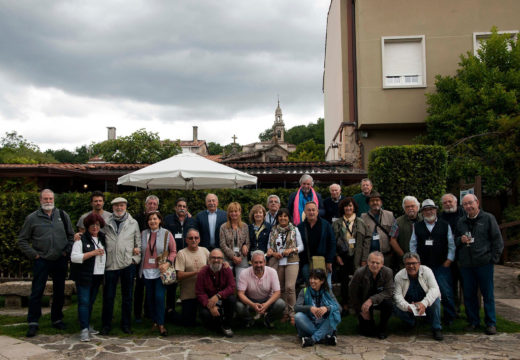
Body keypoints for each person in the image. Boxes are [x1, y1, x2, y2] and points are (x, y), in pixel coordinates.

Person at [18, 189, 74, 337]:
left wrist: (66, 251)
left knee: (59, 292)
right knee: (37, 292)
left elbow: (71, 236)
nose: (48, 201)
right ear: (40, 200)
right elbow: (22, 240)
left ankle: (57, 319)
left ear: (54, 199)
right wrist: (34, 255)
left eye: (50, 199)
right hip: (41, 260)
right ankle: (33, 322)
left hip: (59, 259)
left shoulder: (62, 215)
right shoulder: (32, 218)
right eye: (45, 199)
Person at [456, 194, 503, 335]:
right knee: (469, 295)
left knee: (487, 294)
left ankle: (491, 323)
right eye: (465, 204)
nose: (468, 206)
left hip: (484, 263)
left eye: (470, 203)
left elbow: (497, 241)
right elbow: (454, 240)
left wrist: (492, 259)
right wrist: (460, 240)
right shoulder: (461, 221)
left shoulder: (488, 218)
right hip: (466, 265)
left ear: (477, 202)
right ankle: (473, 321)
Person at [410, 199, 456, 325]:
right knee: (424, 291)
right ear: (423, 212)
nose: (429, 211)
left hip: (441, 265)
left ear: (435, 210)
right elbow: (413, 245)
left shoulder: (445, 225)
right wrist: (415, 263)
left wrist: (449, 260)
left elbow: (451, 244)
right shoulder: (417, 226)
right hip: (423, 266)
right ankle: (425, 316)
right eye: (426, 210)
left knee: (445, 292)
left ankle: (449, 317)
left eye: (431, 209)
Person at [101, 197, 141, 335]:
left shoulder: (133, 223)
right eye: (116, 205)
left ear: (126, 206)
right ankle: (106, 325)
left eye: (122, 205)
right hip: (110, 264)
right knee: (108, 296)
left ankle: (126, 324)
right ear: (112, 208)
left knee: (127, 297)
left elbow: (138, 243)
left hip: (127, 264)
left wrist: (135, 259)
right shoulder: (105, 222)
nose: (119, 208)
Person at [139, 211, 176, 336]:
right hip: (146, 271)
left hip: (160, 271)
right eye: (150, 219)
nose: (152, 221)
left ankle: (161, 324)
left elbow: (173, 251)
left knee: (159, 297)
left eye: (155, 219)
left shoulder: (166, 233)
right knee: (149, 298)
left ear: (160, 220)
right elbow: (139, 248)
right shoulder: (143, 234)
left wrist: (168, 263)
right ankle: (155, 320)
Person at [70, 213, 106, 342]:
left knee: (90, 302)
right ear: (87, 226)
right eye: (92, 225)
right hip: (84, 276)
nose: (95, 227)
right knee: (84, 302)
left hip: (97, 276)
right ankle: (84, 329)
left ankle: (87, 325)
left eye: (97, 225)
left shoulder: (102, 238)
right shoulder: (81, 239)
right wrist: (92, 253)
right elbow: (74, 257)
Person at [332, 197, 371, 315]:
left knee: (358, 281)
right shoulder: (337, 223)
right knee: (344, 282)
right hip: (343, 257)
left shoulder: (361, 222)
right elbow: (332, 241)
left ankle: (358, 304)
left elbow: (367, 241)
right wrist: (336, 255)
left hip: (357, 257)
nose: (348, 208)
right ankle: (345, 305)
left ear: (354, 207)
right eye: (346, 206)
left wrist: (364, 259)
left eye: (350, 206)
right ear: (342, 208)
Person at [394, 252, 444, 341]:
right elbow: (397, 296)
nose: (411, 266)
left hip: (425, 301)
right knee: (394, 304)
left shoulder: (427, 271)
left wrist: (423, 303)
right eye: (408, 264)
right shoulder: (399, 276)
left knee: (435, 299)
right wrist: (407, 306)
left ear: (419, 264)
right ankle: (411, 323)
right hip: (409, 302)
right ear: (404, 265)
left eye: (414, 263)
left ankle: (436, 328)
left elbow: (434, 289)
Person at [266, 208, 304, 321]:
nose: (283, 218)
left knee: (290, 287)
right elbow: (269, 246)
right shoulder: (273, 230)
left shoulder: (294, 229)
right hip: (278, 261)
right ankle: (284, 312)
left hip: (292, 260)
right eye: (280, 216)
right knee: (281, 288)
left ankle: (292, 313)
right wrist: (274, 253)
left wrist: (291, 250)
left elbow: (301, 247)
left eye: (285, 216)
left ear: (289, 218)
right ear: (277, 218)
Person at [349, 251, 394, 339]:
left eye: (377, 263)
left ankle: (382, 328)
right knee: (368, 332)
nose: (374, 265)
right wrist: (360, 310)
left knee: (389, 304)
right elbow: (353, 293)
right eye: (372, 262)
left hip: (379, 300)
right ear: (368, 262)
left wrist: (371, 300)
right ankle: (368, 323)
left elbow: (389, 292)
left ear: (382, 264)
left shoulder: (388, 272)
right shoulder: (359, 273)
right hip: (363, 301)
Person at [236, 250, 285, 328]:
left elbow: (277, 292)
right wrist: (252, 304)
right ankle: (249, 320)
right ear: (251, 262)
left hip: (266, 299)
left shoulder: (272, 272)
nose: (258, 265)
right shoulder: (244, 273)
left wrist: (266, 305)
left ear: (265, 262)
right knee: (238, 305)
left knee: (281, 303)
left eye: (260, 262)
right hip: (250, 300)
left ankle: (268, 320)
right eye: (255, 262)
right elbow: (240, 293)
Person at [163, 197, 194, 318]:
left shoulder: (192, 221)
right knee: (171, 284)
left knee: (187, 283)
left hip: (187, 255)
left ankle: (188, 309)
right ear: (175, 208)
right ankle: (170, 309)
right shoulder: (168, 219)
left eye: (184, 206)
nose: (182, 208)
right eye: (179, 206)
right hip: (173, 255)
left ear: (187, 209)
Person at [294, 268, 341, 347]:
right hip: (309, 325)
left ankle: (312, 339)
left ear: (322, 281)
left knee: (334, 314)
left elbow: (339, 308)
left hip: (323, 324)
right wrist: (310, 308)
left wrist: (327, 308)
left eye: (315, 279)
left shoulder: (327, 291)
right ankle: (325, 338)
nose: (312, 281)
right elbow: (296, 307)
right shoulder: (304, 291)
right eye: (311, 278)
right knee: (298, 316)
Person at [195, 249, 236, 337]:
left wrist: (219, 295)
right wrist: (210, 306)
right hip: (209, 301)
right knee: (204, 314)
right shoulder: (202, 272)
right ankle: (216, 325)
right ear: (209, 259)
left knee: (232, 299)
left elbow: (231, 287)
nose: (216, 260)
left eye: (219, 258)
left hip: (222, 299)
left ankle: (227, 326)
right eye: (213, 258)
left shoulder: (227, 269)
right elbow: (200, 292)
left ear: (222, 260)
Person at [174, 228, 210, 326]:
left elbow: (213, 267)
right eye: (190, 238)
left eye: (196, 238)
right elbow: (179, 275)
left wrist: (224, 265)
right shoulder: (181, 253)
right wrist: (197, 272)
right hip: (188, 294)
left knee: (207, 318)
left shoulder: (205, 251)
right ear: (186, 240)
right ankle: (170, 313)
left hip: (204, 293)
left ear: (199, 239)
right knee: (188, 323)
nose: (193, 240)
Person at [133, 194, 160, 323]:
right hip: (141, 257)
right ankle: (137, 314)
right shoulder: (137, 218)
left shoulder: (159, 218)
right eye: (150, 203)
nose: (152, 206)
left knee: (152, 287)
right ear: (146, 205)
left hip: (155, 259)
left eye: (154, 204)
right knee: (139, 287)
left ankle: (149, 312)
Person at [297, 201, 336, 288]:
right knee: (310, 287)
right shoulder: (300, 227)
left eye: (313, 210)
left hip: (323, 262)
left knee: (327, 287)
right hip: (307, 263)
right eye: (309, 210)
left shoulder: (326, 225)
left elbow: (332, 243)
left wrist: (329, 261)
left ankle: (327, 302)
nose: (311, 212)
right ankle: (312, 302)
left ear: (317, 211)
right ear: (305, 212)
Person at [439, 193, 465, 313]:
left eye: (450, 201)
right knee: (451, 285)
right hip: (447, 257)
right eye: (445, 202)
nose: (448, 204)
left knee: (467, 286)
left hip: (464, 255)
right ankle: (454, 310)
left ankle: (471, 312)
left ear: (456, 202)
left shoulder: (463, 214)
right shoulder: (440, 217)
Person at [361, 191, 396, 268]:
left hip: (386, 255)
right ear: (369, 203)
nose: (375, 202)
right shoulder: (363, 217)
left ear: (381, 202)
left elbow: (394, 235)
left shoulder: (389, 215)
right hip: (370, 255)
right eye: (372, 201)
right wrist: (363, 258)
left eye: (377, 200)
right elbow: (362, 239)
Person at [389, 196, 423, 270]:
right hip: (405, 262)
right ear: (404, 209)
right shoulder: (398, 221)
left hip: (423, 259)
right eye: (407, 207)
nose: (410, 208)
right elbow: (392, 240)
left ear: (417, 207)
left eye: (412, 206)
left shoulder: (424, 219)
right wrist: (403, 256)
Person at [219, 202, 250, 284]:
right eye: (231, 211)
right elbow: (222, 244)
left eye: (236, 211)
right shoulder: (223, 227)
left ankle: (241, 295)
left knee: (242, 281)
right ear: (228, 213)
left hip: (241, 257)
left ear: (240, 212)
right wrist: (233, 256)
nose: (234, 213)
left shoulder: (245, 226)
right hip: (227, 256)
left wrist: (242, 253)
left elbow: (247, 243)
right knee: (226, 280)